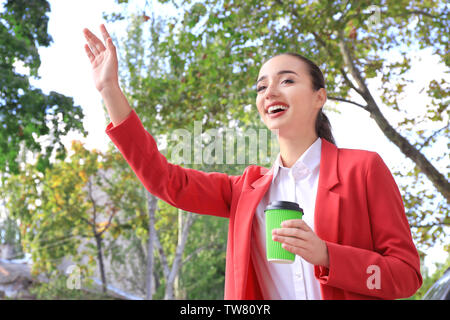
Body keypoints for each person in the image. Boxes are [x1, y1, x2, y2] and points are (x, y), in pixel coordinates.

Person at [83, 24, 422, 300]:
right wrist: (110, 89)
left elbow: (406, 277)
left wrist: (328, 255)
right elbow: (164, 180)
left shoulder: (362, 169)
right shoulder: (246, 190)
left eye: (287, 80)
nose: (270, 92)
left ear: (320, 96)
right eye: (261, 87)